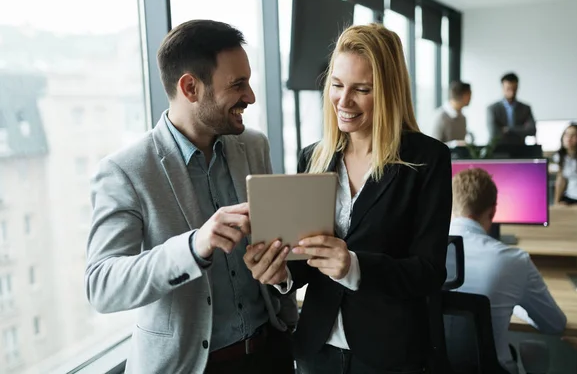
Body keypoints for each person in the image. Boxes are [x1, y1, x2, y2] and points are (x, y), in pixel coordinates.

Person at [85, 20, 297, 374]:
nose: (251, 97)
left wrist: (281, 276)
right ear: (190, 87)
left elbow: (276, 248)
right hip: (189, 367)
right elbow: (102, 285)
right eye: (237, 85)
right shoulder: (126, 172)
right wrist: (194, 246)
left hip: (269, 354)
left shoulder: (255, 146)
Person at [245, 23, 452, 373]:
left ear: (388, 92)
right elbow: (306, 259)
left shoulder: (427, 159)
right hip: (317, 350)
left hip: (389, 354)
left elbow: (429, 272)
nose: (344, 101)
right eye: (337, 86)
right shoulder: (314, 157)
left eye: (362, 89)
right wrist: (280, 271)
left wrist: (354, 266)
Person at [449, 168, 567, 374]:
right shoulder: (514, 262)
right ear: (493, 212)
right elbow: (554, 324)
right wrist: (518, 305)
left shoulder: (424, 254)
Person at [487, 72, 536, 145]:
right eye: (508, 89)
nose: (512, 92)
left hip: (520, 149)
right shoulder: (493, 109)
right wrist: (521, 129)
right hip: (498, 150)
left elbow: (532, 130)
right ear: (502, 88)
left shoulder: (525, 108)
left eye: (514, 89)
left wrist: (508, 129)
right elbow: (494, 133)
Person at [431, 80, 472, 145]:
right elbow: (433, 145)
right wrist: (454, 144)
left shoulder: (462, 118)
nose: (471, 98)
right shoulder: (440, 117)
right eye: (470, 94)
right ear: (465, 95)